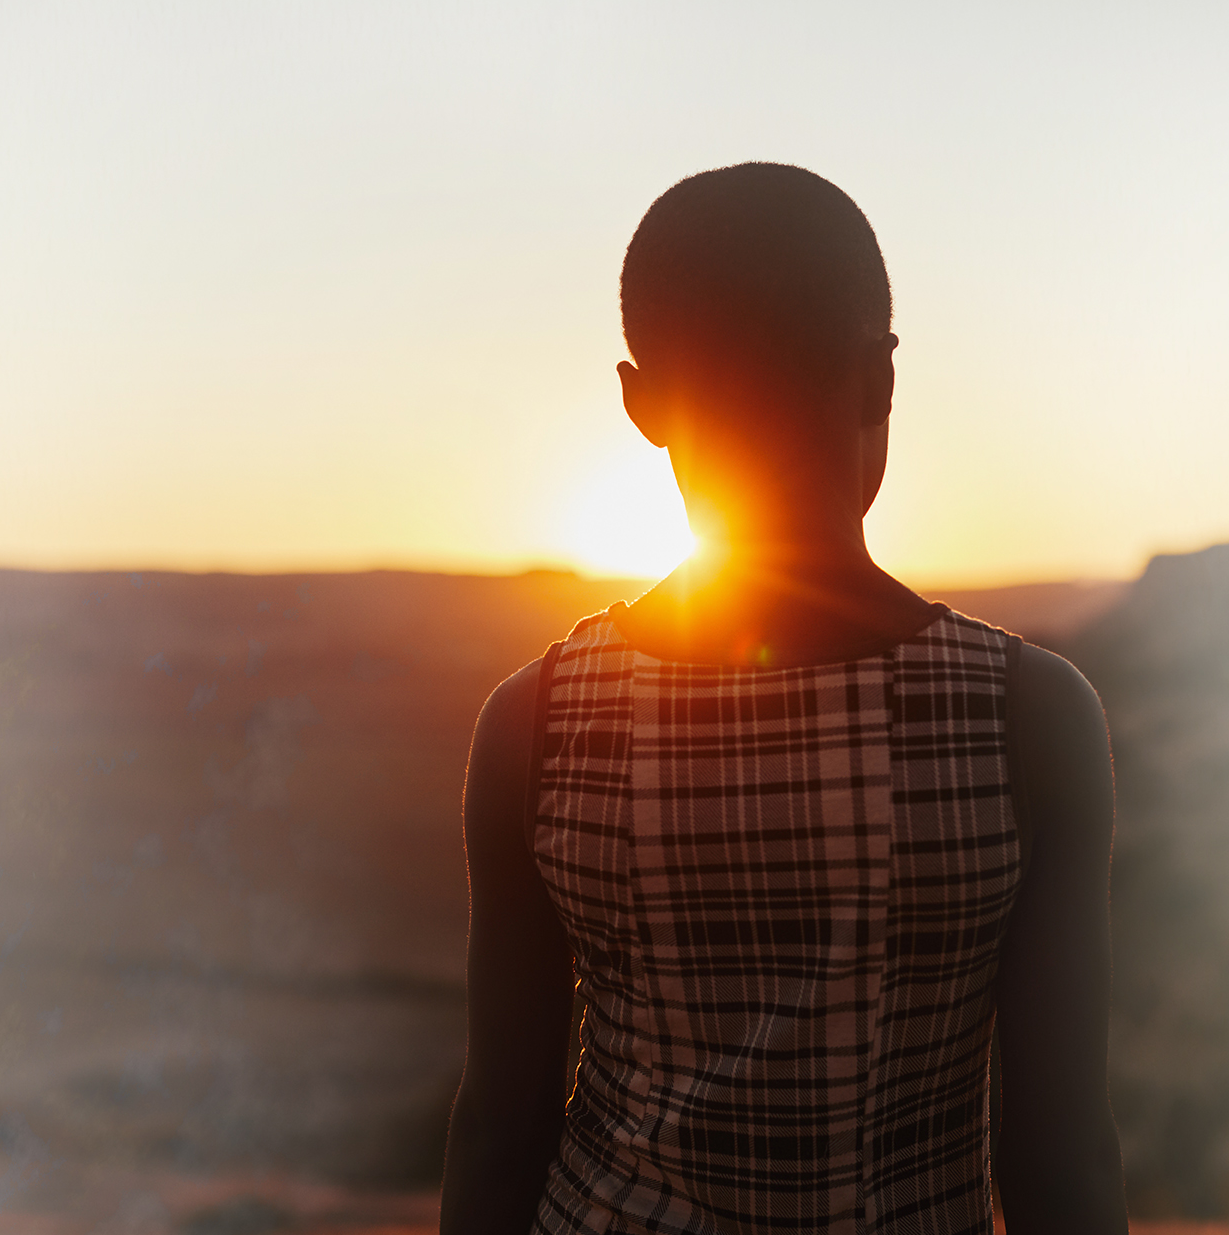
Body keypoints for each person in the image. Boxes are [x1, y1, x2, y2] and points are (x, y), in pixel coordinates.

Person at [441, 163, 1127, 1235]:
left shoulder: (534, 724)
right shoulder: (1028, 718)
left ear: (643, 404)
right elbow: (1059, 1152)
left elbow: (499, 1125)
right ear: (878, 381)